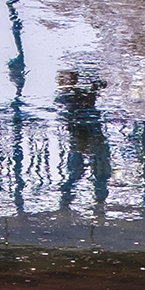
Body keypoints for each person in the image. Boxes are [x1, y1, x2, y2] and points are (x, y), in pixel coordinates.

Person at [56, 65, 110, 215]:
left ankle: (66, 201)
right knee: (98, 171)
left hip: (81, 134)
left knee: (77, 171)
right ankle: (98, 202)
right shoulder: (82, 94)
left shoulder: (65, 97)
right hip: (90, 133)